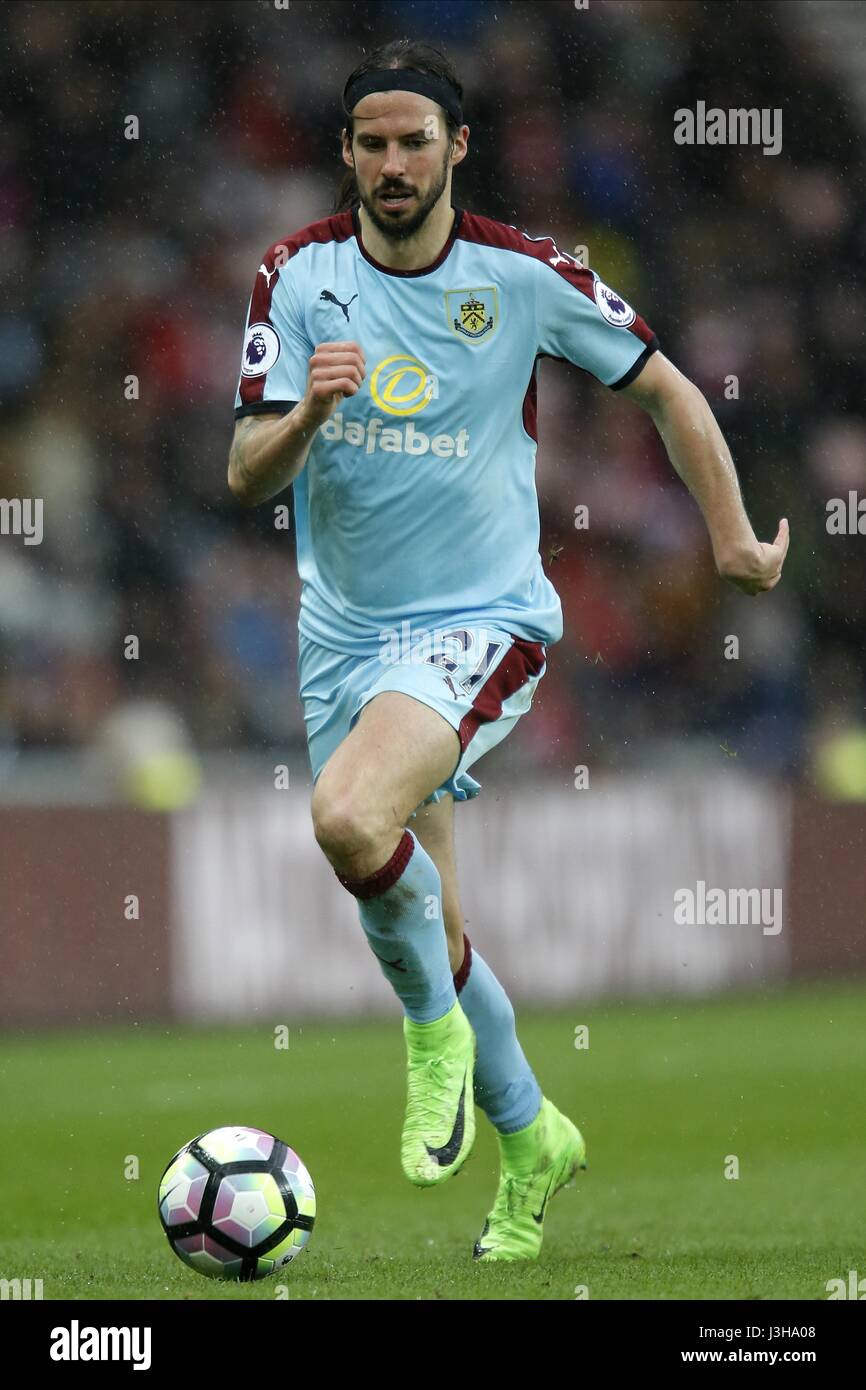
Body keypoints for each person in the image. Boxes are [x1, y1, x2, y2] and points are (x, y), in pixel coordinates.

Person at [227, 38, 789, 1262]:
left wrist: (734, 539)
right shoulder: (293, 271)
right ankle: (531, 1137)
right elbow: (241, 469)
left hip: (480, 622)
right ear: (344, 151)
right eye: (370, 142)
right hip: (341, 637)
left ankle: (430, 1038)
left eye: (413, 140)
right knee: (419, 901)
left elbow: (668, 390)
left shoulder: (524, 275)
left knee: (340, 819)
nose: (390, 162)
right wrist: (311, 410)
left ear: (455, 148)